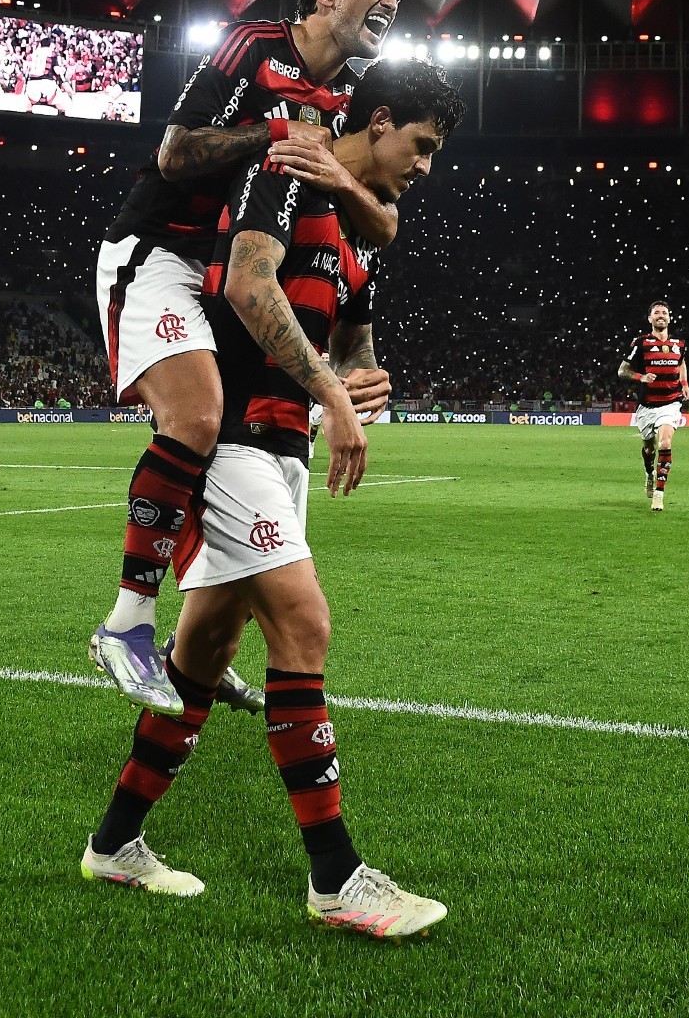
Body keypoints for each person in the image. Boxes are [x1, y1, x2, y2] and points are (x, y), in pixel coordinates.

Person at [80, 57, 465, 937]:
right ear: (377, 122)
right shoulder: (282, 172)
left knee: (204, 656)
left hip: (284, 451)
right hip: (238, 440)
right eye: (422, 145)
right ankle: (337, 878)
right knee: (305, 626)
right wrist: (331, 391)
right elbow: (247, 285)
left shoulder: (361, 233)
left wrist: (363, 378)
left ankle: (114, 845)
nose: (425, 167)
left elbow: (355, 335)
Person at [89, 0, 407, 715]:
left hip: (224, 269)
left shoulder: (349, 97)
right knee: (197, 417)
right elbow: (173, 154)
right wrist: (276, 134)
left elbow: (380, 226)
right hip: (160, 253)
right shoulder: (254, 46)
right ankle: (125, 624)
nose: (393, 0)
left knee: (236, 445)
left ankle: (196, 644)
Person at [617, 301, 689, 512]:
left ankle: (659, 494)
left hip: (671, 402)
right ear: (650, 318)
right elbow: (622, 370)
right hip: (647, 406)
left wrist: (684, 384)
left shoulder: (679, 344)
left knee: (665, 444)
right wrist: (641, 377)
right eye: (656, 313)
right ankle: (649, 473)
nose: (661, 316)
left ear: (669, 318)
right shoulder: (640, 343)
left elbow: (682, 363)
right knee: (649, 448)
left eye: (664, 313)